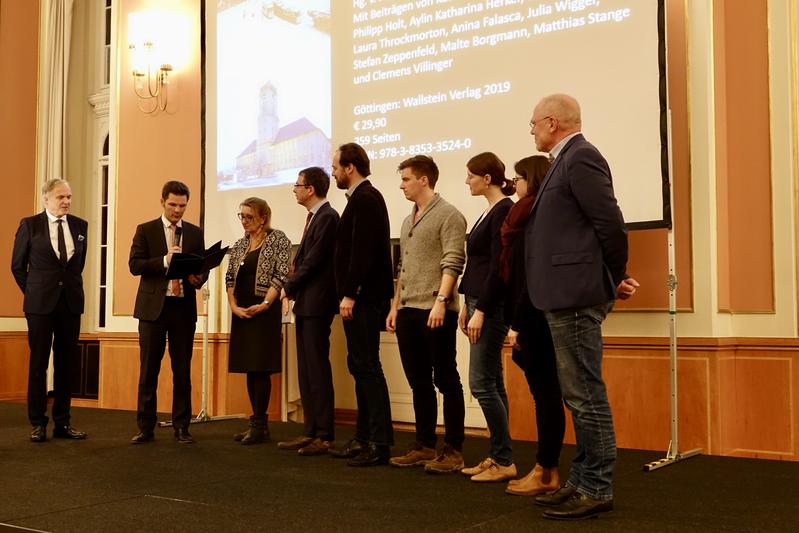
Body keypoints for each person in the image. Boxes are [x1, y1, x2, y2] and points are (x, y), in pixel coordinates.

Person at [525, 94, 639, 520]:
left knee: (585, 395)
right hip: (563, 292)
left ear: (552, 122)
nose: (532, 130)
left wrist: (615, 274)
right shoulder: (565, 159)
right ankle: (581, 479)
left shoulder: (581, 156)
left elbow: (608, 220)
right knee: (578, 395)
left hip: (575, 293)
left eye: (533, 123)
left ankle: (597, 486)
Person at [385, 155, 467, 474]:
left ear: (424, 180)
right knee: (418, 380)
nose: (402, 185)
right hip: (408, 309)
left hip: (436, 308)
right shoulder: (408, 220)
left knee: (446, 378)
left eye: (406, 179)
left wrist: (442, 301)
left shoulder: (449, 215)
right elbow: (403, 269)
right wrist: (395, 306)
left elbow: (453, 261)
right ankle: (424, 444)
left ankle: (454, 449)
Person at [500, 156, 565, 496]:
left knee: (547, 396)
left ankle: (547, 470)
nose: (515, 183)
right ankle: (545, 469)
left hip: (536, 317)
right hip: (529, 315)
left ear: (532, 179)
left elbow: (530, 279)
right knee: (546, 395)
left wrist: (517, 324)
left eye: (519, 178)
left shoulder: (534, 217)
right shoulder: (523, 215)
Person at [328, 142, 395, 467]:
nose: (334, 171)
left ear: (350, 167)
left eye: (336, 166)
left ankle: (379, 442)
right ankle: (364, 436)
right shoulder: (361, 198)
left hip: (365, 298)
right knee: (359, 365)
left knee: (367, 366)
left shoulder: (366, 198)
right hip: (362, 297)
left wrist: (350, 293)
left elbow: (363, 252)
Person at [129, 181, 206, 445]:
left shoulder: (194, 233)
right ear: (162, 201)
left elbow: (201, 269)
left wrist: (199, 278)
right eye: (172, 205)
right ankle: (145, 427)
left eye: (182, 206)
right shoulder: (146, 230)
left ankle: (182, 427)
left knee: (182, 370)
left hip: (183, 309)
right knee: (149, 370)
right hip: (153, 310)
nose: (177, 210)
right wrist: (164, 260)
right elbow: (135, 265)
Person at [11, 178, 89, 443]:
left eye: (68, 197)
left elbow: (78, 265)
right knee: (39, 364)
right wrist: (34, 292)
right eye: (60, 197)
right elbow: (17, 266)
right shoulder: (30, 225)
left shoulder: (80, 226)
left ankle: (63, 422)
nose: (66, 201)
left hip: (70, 303)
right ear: (46, 199)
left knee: (67, 364)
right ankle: (37, 422)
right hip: (40, 306)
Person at [458, 152, 517, 482]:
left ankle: (504, 458)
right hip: (478, 300)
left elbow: (498, 267)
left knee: (481, 383)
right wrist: (467, 303)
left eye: (470, 176)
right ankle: (499, 455)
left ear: (488, 178)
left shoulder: (504, 210)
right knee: (492, 380)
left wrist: (480, 310)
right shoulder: (488, 211)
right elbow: (478, 265)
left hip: (491, 306)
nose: (467, 181)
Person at [277, 167, 339, 456]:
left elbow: (314, 261)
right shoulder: (315, 217)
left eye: (298, 185)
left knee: (317, 367)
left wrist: (288, 286)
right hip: (307, 302)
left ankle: (325, 434)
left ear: (311, 188)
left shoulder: (328, 217)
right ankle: (311, 430)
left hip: (318, 302)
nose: (294, 189)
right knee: (305, 368)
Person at [226, 197, 291, 445]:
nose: (244, 221)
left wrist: (265, 304)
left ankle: (261, 424)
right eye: (241, 216)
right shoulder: (240, 244)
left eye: (249, 217)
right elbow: (230, 278)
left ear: (263, 218)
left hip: (264, 312)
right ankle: (256, 423)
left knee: (261, 367)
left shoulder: (278, 239)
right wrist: (233, 306)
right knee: (249, 369)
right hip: (242, 312)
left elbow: (281, 275)